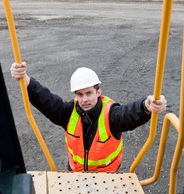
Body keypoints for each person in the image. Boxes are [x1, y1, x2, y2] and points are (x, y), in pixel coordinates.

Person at [10, 62, 167, 172]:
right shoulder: (68, 113)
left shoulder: (111, 114)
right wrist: (25, 79)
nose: (84, 99)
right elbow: (45, 99)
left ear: (98, 92)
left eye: (88, 93)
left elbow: (128, 114)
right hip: (75, 172)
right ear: (75, 94)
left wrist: (146, 106)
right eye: (79, 94)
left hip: (107, 177)